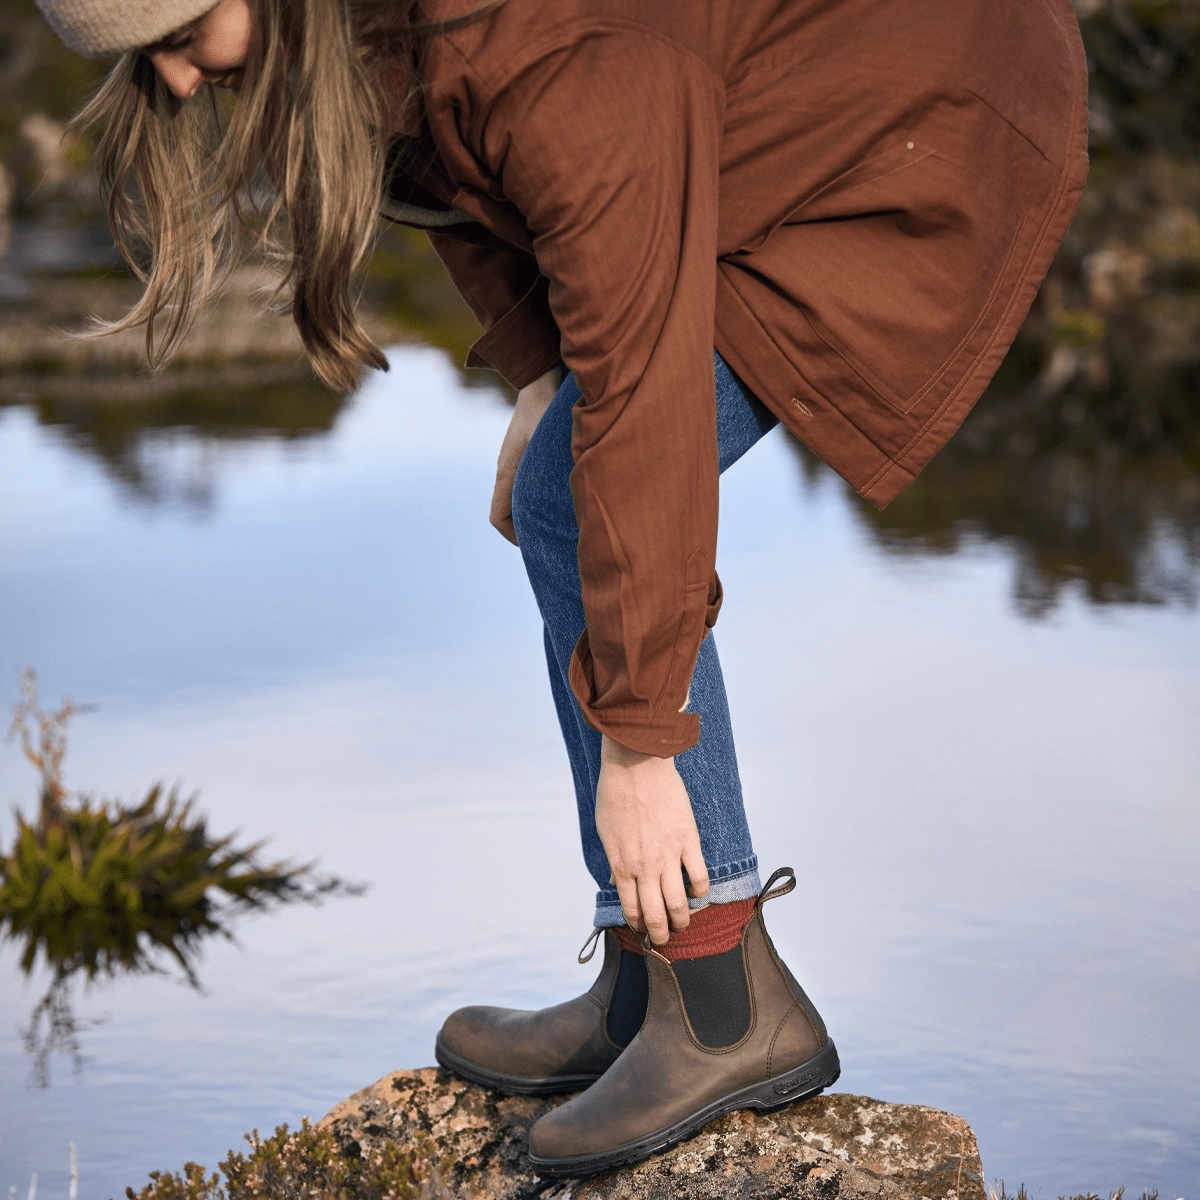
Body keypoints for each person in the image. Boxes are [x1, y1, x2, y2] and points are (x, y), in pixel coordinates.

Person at [35, 0, 1089, 1177]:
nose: (178, 83)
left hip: (926, 99)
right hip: (751, 102)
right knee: (562, 481)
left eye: (181, 37)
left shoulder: (551, 48)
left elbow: (643, 384)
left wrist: (641, 747)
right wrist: (537, 369)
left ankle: (722, 992)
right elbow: (452, 168)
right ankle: (645, 977)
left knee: (585, 487)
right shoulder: (382, 27)